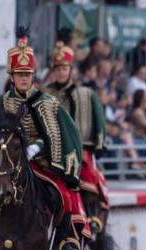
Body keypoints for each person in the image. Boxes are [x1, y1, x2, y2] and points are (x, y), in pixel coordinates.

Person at [0, 28, 89, 250]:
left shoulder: (47, 102)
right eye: (19, 74)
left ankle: (67, 239)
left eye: (27, 74)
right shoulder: (3, 101)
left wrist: (36, 147)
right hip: (8, 162)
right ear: (12, 76)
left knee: (65, 195)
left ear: (33, 76)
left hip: (41, 163)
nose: (24, 78)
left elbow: (56, 135)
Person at [43, 41, 110, 234]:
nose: (61, 72)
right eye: (57, 69)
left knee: (88, 174)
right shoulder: (44, 94)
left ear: (70, 70)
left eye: (64, 68)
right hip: (50, 150)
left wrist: (99, 143)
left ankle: (92, 214)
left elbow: (99, 121)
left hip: (81, 149)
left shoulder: (87, 94)